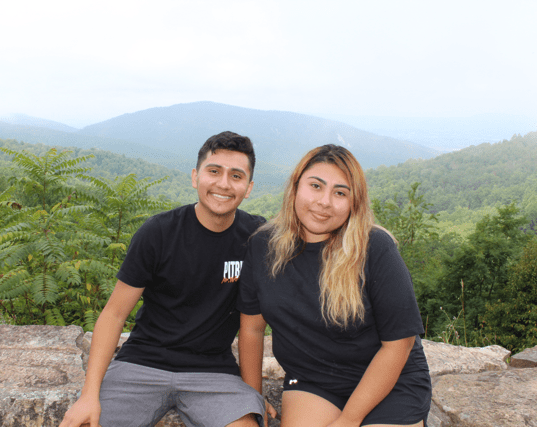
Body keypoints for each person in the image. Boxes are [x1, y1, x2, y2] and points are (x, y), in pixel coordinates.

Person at [60, 131, 270, 427]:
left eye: (236, 176)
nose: (224, 183)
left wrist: (253, 396)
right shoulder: (158, 232)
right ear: (196, 177)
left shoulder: (256, 238)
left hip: (214, 372)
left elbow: (253, 326)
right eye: (214, 171)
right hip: (141, 364)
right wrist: (89, 394)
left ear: (248, 188)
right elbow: (115, 313)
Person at [238, 144, 431, 427]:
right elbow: (252, 329)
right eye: (315, 186)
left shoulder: (375, 248)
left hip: (389, 381)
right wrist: (253, 398)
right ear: (295, 187)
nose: (325, 201)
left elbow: (399, 345)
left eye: (340, 192)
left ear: (354, 202)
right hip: (314, 380)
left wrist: (349, 420)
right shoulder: (263, 247)